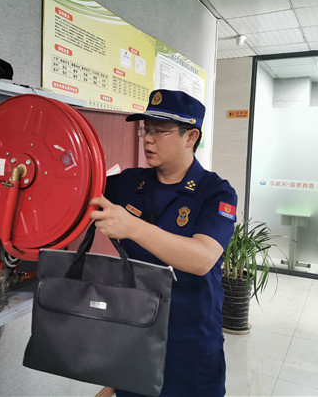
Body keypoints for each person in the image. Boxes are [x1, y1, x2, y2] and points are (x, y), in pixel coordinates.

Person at [89, 89, 237, 397]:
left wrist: (132, 227)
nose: (148, 139)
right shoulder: (130, 183)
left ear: (191, 136)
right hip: (136, 336)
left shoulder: (216, 193)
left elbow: (201, 258)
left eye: (160, 131)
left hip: (190, 345)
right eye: (146, 130)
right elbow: (78, 186)